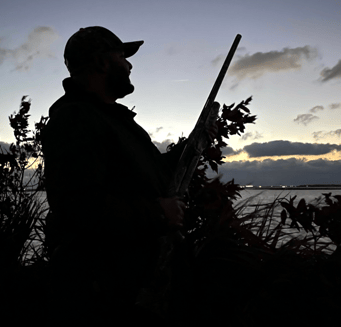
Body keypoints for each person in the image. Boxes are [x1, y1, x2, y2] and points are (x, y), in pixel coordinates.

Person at [41, 26, 217, 326]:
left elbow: (152, 174)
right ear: (102, 62)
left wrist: (193, 144)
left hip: (136, 288)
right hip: (110, 299)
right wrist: (158, 215)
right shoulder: (75, 119)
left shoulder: (113, 120)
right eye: (123, 55)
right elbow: (77, 206)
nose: (130, 64)